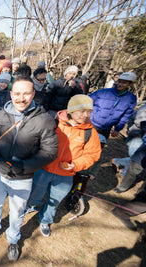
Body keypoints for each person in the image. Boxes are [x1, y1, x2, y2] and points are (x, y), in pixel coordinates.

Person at [0, 76, 58, 261]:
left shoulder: (44, 119)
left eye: (26, 93)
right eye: (17, 93)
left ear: (33, 94)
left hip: (23, 177)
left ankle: (13, 238)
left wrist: (23, 167)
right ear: (11, 94)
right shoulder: (1, 114)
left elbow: (49, 152)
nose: (21, 98)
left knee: (17, 211)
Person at [25, 95, 101, 237]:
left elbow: (93, 154)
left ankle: (45, 219)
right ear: (71, 110)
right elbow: (37, 140)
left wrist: (75, 164)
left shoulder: (90, 132)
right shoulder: (53, 123)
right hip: (43, 169)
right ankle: (31, 206)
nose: (85, 115)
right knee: (35, 191)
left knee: (55, 199)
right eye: (82, 111)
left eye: (89, 112)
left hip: (66, 174)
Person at [90, 72, 137, 140]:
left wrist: (117, 129)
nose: (120, 84)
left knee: (97, 148)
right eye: (119, 81)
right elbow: (85, 101)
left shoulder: (131, 98)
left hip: (107, 129)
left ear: (131, 84)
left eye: (124, 83)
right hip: (92, 124)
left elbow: (126, 115)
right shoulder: (102, 92)